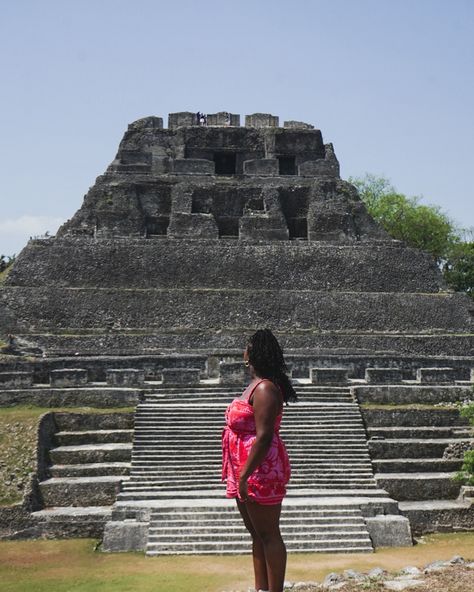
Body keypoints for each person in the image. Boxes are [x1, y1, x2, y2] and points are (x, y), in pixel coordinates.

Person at [222, 329, 297, 592]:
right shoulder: (254, 386)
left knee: (269, 534)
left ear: (251, 354)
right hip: (244, 469)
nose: (244, 350)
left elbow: (264, 437)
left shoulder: (265, 388)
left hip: (259, 471)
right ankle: (261, 589)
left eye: (247, 346)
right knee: (256, 534)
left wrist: (244, 475)